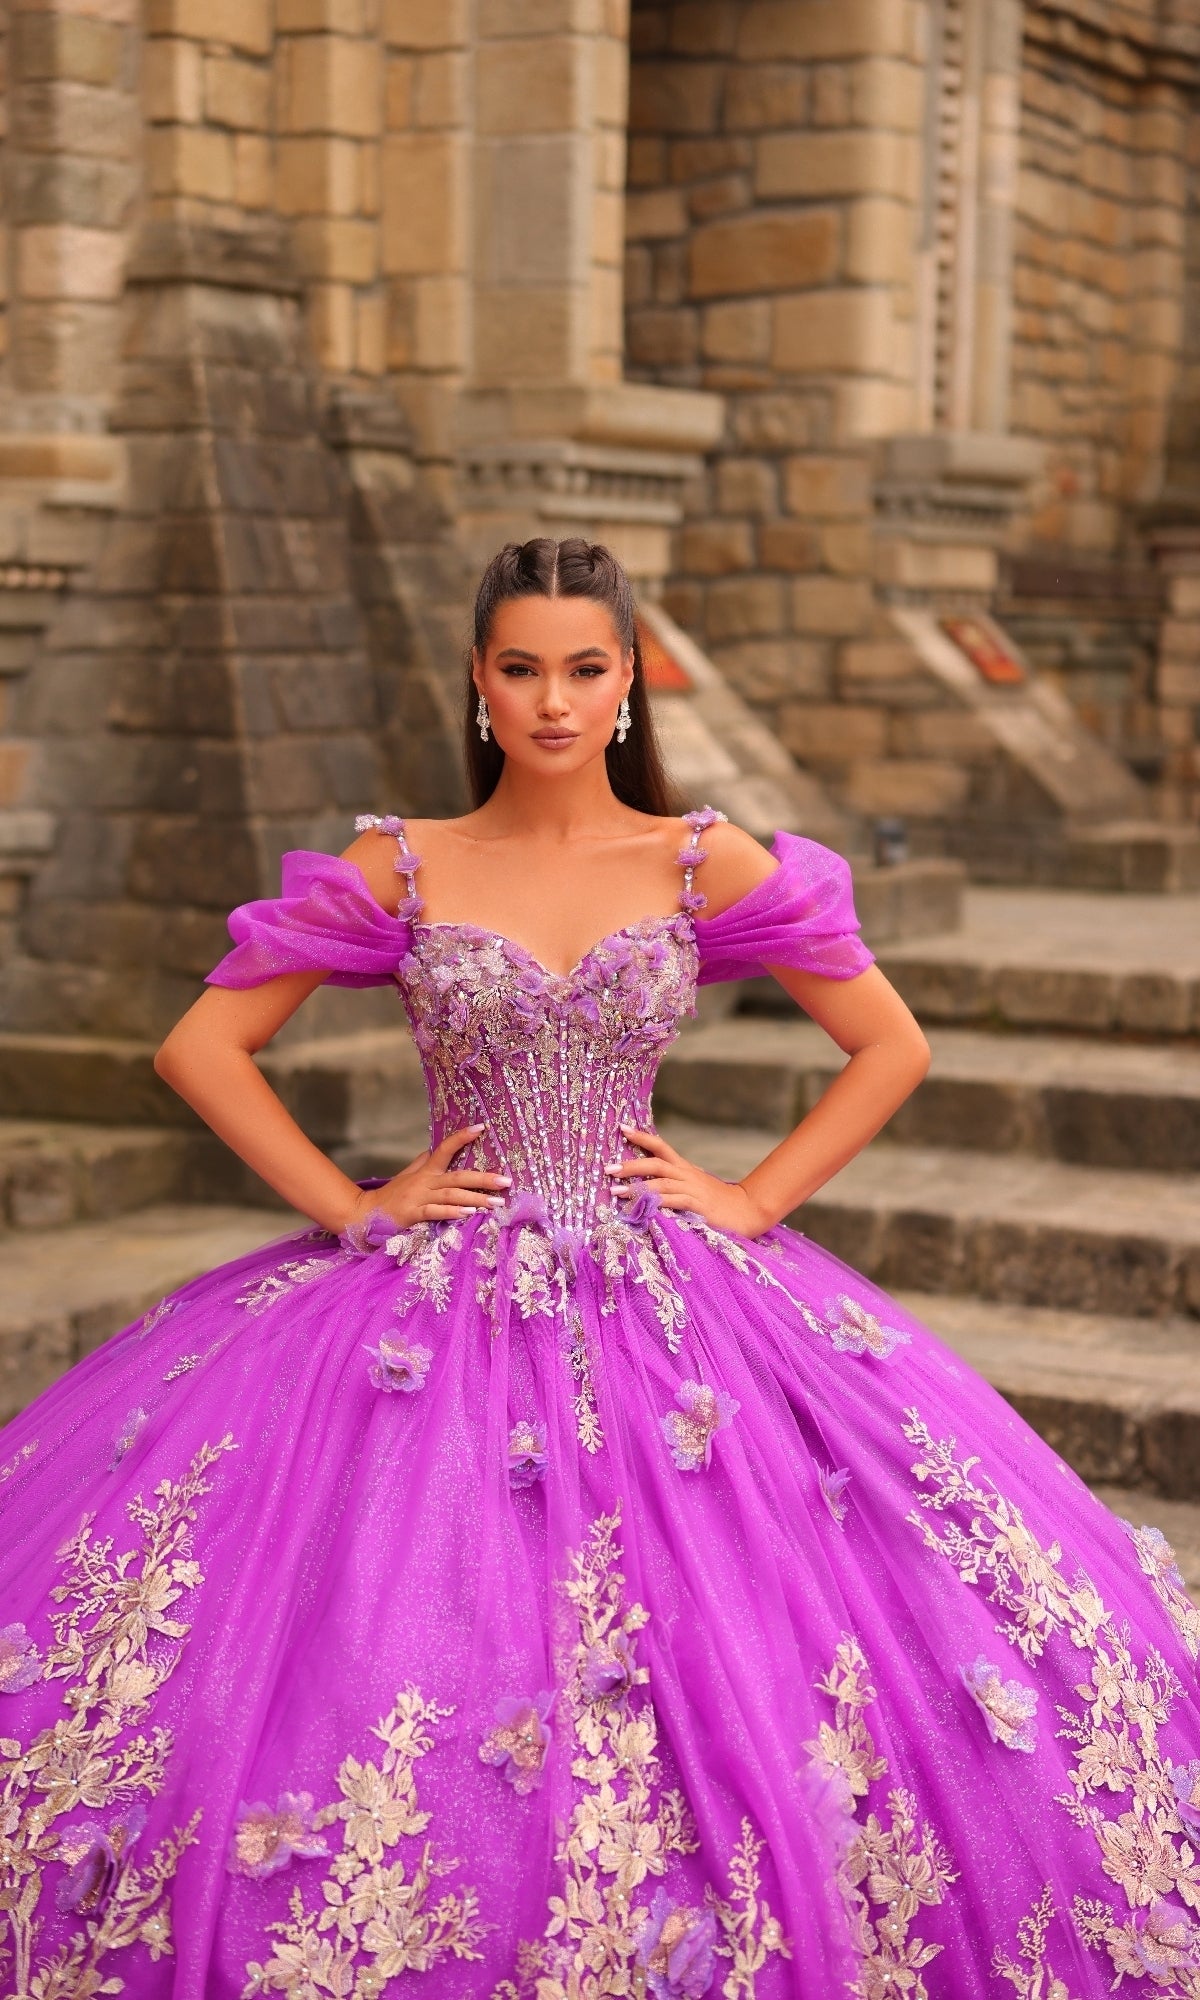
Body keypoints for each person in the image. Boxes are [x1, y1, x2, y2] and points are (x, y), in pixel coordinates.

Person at [1, 538, 1197, 2000]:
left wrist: (753, 1198)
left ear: (627, 681)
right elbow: (200, 1047)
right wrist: (359, 1203)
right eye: (521, 669)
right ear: (480, 682)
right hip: (435, 1299)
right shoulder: (408, 858)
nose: (553, 702)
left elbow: (890, 1045)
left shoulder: (700, 858)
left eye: (583, 668)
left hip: (673, 1296)